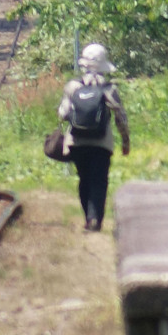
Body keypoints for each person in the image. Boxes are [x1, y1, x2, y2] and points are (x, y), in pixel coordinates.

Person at [58, 43, 130, 232]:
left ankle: (88, 218)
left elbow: (63, 114)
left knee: (84, 179)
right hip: (102, 144)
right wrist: (125, 141)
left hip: (77, 141)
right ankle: (94, 219)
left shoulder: (73, 87)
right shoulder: (109, 88)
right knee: (99, 180)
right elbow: (120, 117)